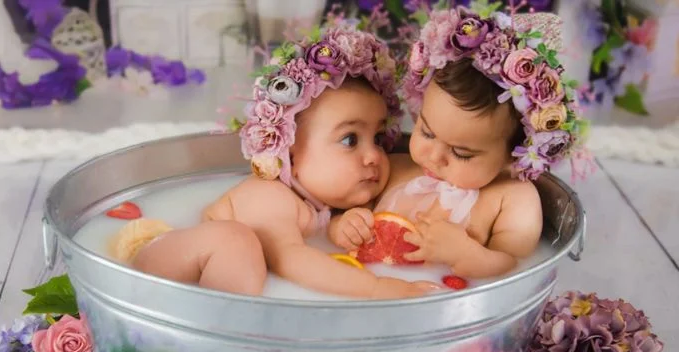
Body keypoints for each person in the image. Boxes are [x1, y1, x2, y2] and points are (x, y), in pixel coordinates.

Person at [108, 25, 442, 298]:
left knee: (240, 248)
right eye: (349, 140)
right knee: (233, 240)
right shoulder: (270, 196)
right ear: (289, 152)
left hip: (210, 283)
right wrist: (377, 288)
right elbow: (292, 260)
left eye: (378, 138)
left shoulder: (319, 202)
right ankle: (225, 330)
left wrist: (342, 226)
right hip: (157, 269)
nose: (374, 156)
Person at [329, 8, 592, 280]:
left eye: (460, 153)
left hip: (453, 298)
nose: (434, 157)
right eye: (427, 132)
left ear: (515, 156)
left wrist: (465, 253)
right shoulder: (394, 168)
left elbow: (515, 267)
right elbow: (339, 210)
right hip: (367, 284)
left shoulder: (514, 199)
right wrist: (343, 226)